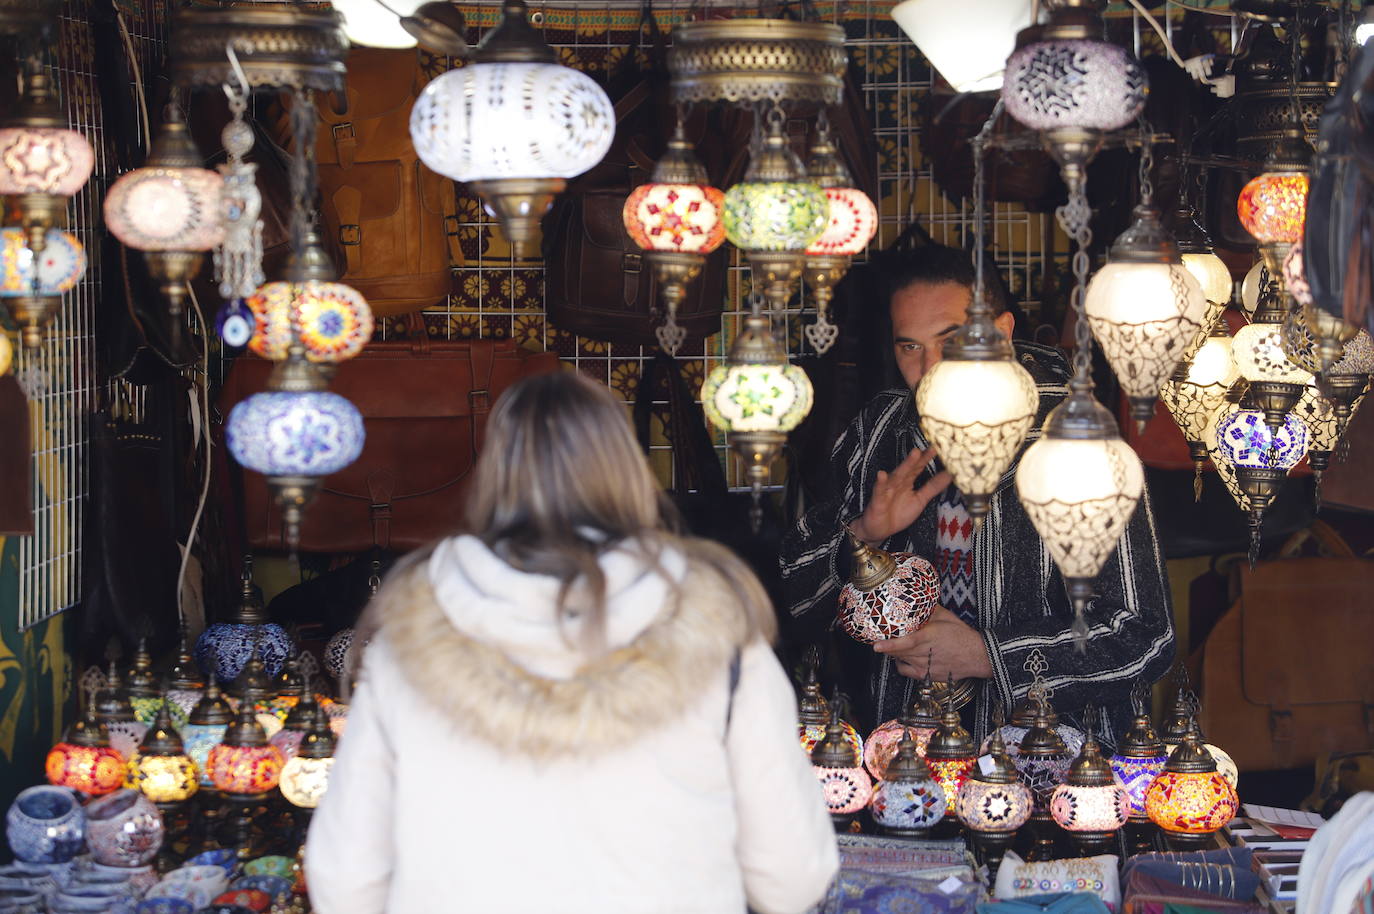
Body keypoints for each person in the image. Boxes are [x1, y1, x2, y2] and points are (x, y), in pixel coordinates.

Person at [306, 372, 839, 914]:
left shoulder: (410, 638)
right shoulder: (716, 631)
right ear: (627, 468)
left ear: (494, 473)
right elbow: (792, 876)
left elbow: (344, 877)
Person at [779, 244, 1174, 747]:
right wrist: (863, 534)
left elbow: (1144, 636)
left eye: (952, 340)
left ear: (1003, 333)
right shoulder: (880, 433)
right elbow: (798, 601)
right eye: (909, 347)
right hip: (905, 768)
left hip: (1055, 776)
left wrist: (987, 655)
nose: (931, 367)